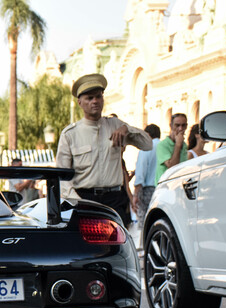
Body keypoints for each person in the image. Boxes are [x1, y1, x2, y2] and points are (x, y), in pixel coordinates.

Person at [56, 73, 152, 227]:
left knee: (118, 248)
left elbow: (148, 144)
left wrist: (126, 129)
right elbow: (62, 177)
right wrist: (77, 202)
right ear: (80, 102)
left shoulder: (115, 125)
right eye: (89, 98)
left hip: (114, 200)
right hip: (84, 199)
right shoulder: (70, 134)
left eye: (98, 97)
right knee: (87, 248)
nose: (95, 101)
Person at [132, 124, 160, 232]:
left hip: (147, 190)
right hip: (162, 187)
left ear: (147, 135)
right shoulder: (164, 146)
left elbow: (140, 172)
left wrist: (135, 194)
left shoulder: (146, 148)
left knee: (145, 223)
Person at [155, 113, 188, 184]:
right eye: (177, 125)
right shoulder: (162, 145)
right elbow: (172, 167)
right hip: (165, 187)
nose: (180, 129)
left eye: (183, 125)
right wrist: (178, 145)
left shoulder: (184, 145)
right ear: (171, 126)